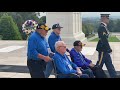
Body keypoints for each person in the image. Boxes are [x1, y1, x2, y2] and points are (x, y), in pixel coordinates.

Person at [96, 14, 119, 78]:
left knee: (109, 64)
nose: (108, 19)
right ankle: (94, 74)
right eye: (107, 18)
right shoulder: (102, 27)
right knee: (99, 65)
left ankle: (114, 75)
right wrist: (109, 49)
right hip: (103, 49)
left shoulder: (104, 26)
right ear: (104, 18)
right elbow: (104, 39)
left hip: (105, 49)